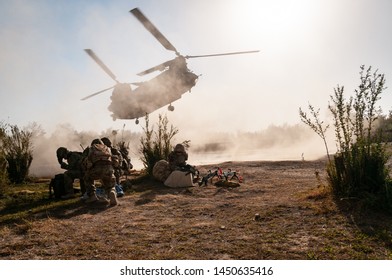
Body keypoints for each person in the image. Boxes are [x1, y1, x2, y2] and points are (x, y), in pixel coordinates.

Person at [83, 138, 117, 206]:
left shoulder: (92, 149)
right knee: (110, 184)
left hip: (97, 170)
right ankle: (111, 192)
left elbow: (88, 163)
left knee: (86, 177)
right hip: (109, 169)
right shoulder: (107, 148)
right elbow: (114, 160)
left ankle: (92, 196)